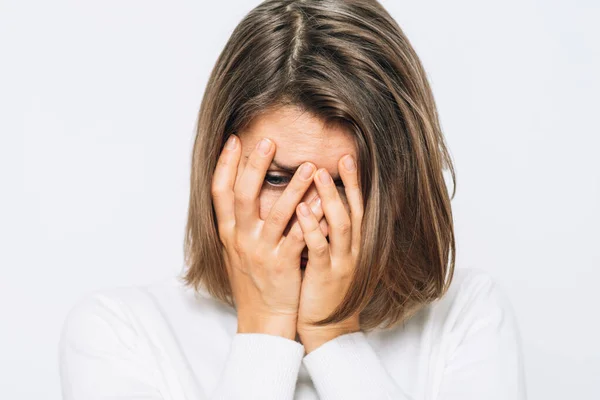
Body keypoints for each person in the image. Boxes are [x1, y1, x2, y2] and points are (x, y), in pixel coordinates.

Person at [58, 0, 526, 399]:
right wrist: (265, 327)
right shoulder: (120, 333)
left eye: (342, 185)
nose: (312, 220)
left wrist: (332, 336)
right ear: (218, 173)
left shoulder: (468, 316)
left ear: (401, 182)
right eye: (279, 180)